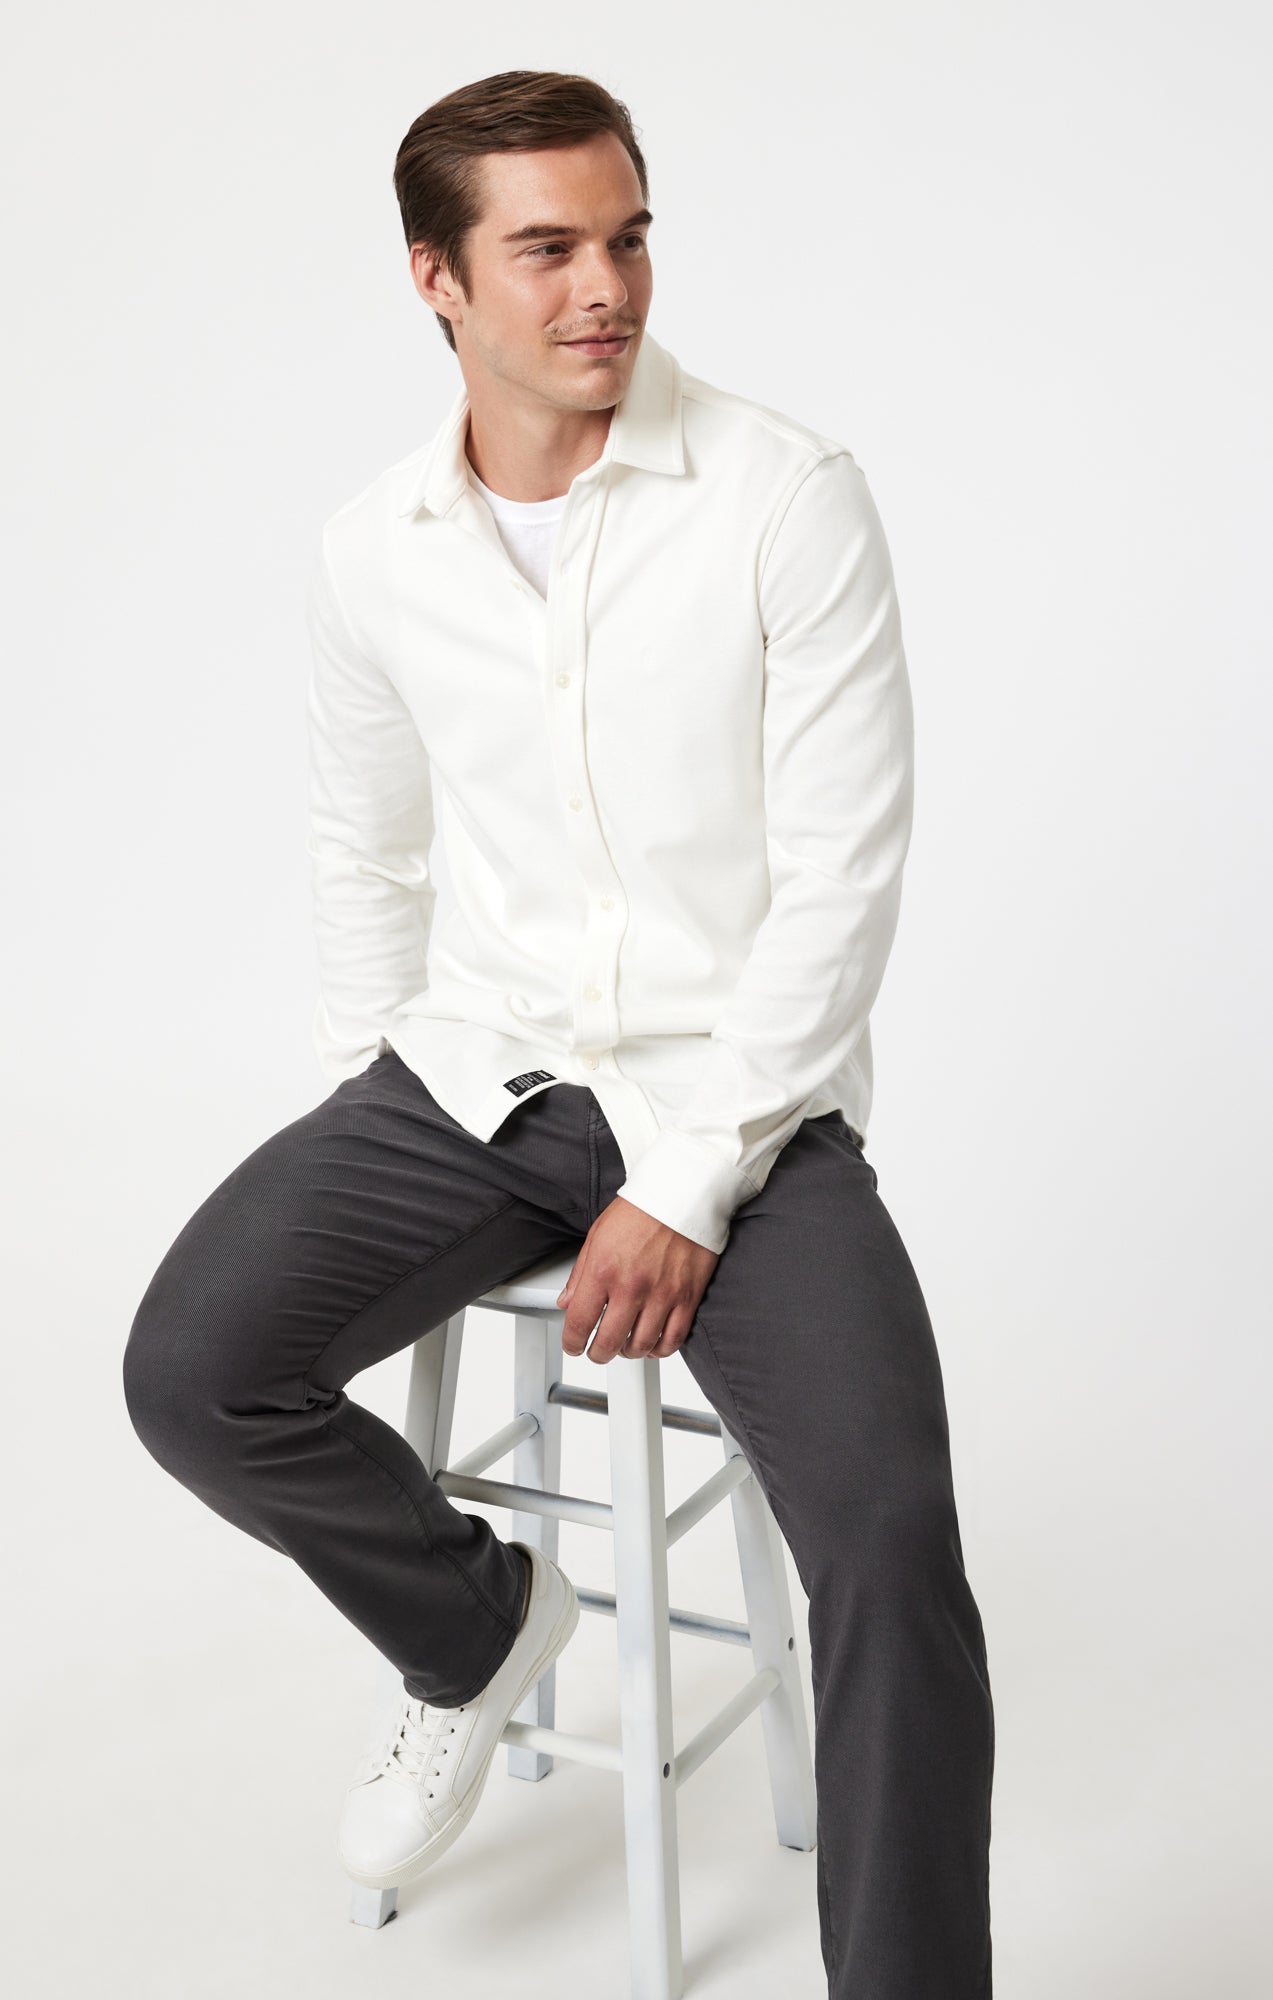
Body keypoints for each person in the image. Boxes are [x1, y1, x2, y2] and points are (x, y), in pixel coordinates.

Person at [123, 66, 994, 1999]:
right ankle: (473, 1623)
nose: (605, 285)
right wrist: (380, 1091)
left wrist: (687, 1184)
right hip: (474, 1084)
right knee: (191, 1372)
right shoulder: (375, 548)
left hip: (739, 1105)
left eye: (627, 236)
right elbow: (368, 847)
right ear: (435, 279)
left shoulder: (782, 497)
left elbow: (840, 885)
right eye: (546, 249)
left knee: (887, 1537)